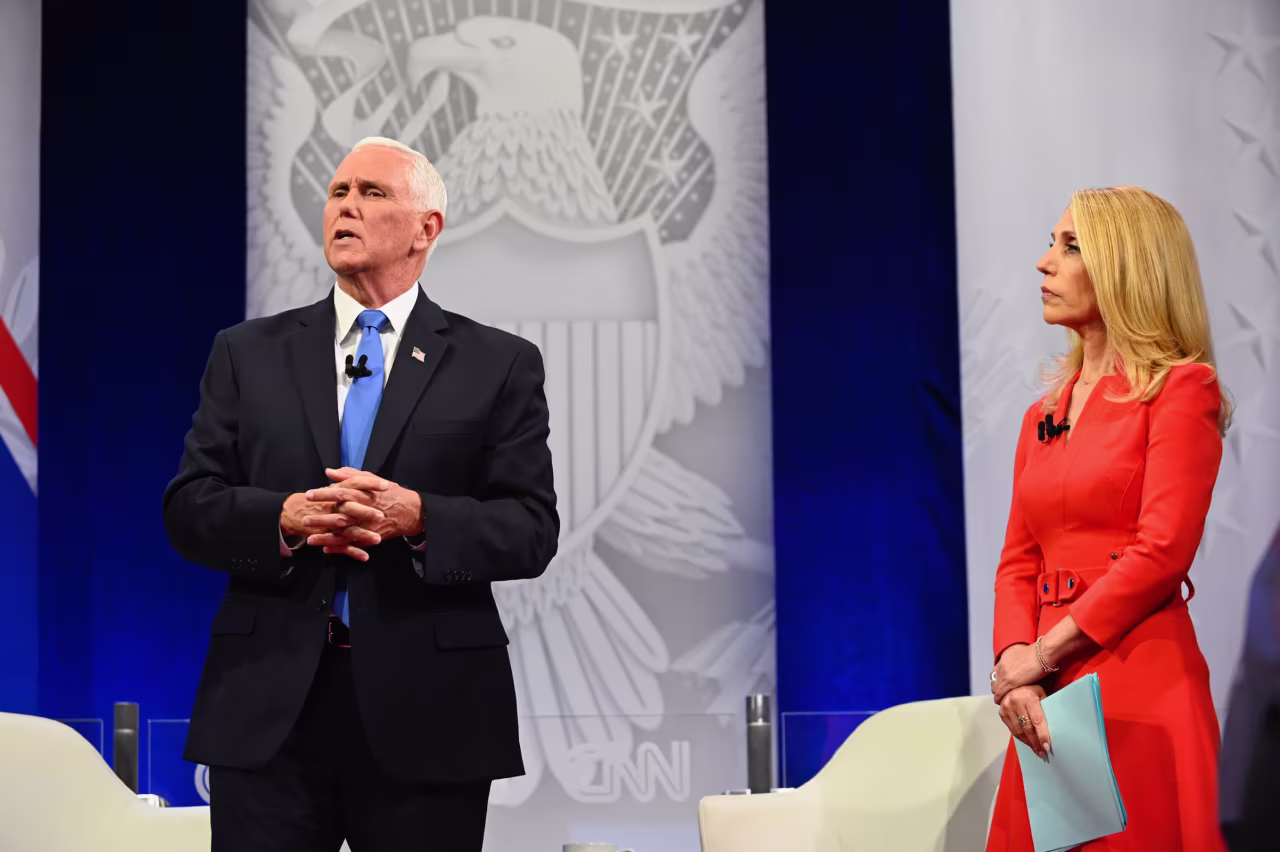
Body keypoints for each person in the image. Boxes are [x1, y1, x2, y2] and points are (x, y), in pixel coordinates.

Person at [163, 136, 558, 852]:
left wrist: (420, 517)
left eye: (372, 193)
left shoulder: (496, 364)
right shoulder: (246, 353)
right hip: (268, 705)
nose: (346, 206)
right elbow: (189, 506)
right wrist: (279, 518)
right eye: (338, 192)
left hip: (430, 707)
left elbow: (530, 528)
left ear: (426, 228)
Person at [985, 186, 1231, 851]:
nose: (1044, 262)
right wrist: (1015, 669)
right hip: (1042, 699)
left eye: (1070, 247)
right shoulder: (1042, 417)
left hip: (1137, 683)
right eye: (1050, 242)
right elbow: (1017, 561)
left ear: (1126, 268)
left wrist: (1041, 654)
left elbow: (1161, 554)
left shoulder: (1182, 391)